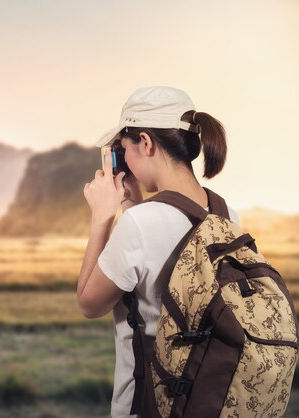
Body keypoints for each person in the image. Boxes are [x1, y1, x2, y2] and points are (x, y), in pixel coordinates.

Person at [76, 86, 240, 418]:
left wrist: (103, 216)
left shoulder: (138, 223)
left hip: (149, 405)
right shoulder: (227, 213)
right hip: (207, 400)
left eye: (124, 148)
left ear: (146, 143)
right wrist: (138, 203)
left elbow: (89, 303)